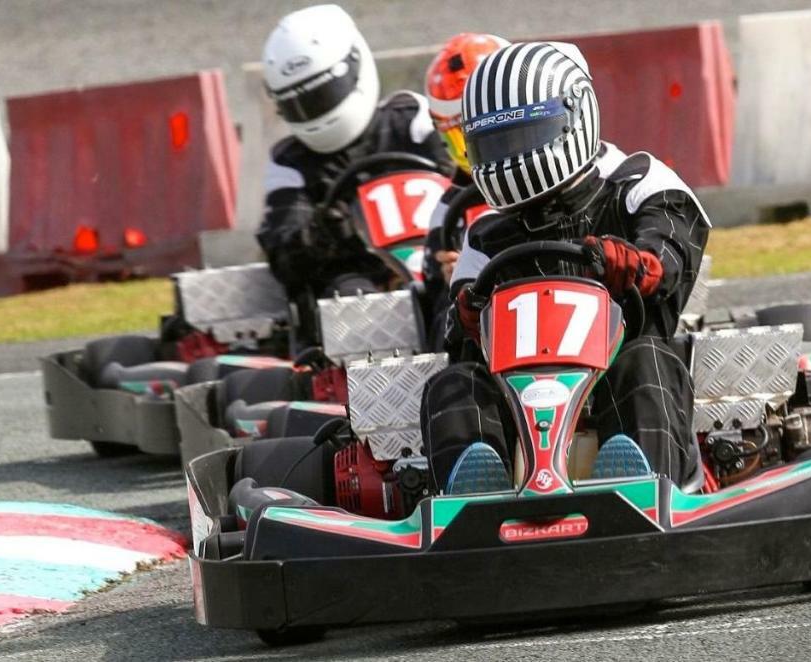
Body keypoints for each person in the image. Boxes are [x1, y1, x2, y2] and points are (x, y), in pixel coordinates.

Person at [419, 41, 712, 495]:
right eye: (497, 144)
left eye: (521, 139)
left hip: (619, 378)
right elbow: (452, 336)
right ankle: (473, 499)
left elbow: (672, 249)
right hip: (521, 409)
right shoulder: (485, 234)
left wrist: (638, 265)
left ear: (573, 117)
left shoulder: (636, 184)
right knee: (455, 384)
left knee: (647, 360)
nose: (511, 156)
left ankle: (642, 485)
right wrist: (467, 316)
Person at [256, 4, 450, 299]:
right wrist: (322, 233)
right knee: (352, 296)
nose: (315, 112)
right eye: (301, 104)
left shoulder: (413, 122)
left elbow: (467, 184)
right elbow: (284, 258)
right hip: (360, 288)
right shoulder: (290, 166)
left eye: (322, 96)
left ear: (355, 64)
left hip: (440, 260)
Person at [419, 32, 511, 346]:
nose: (476, 145)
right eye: (460, 135)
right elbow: (431, 296)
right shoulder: (448, 211)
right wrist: (452, 278)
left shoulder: (563, 170)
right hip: (495, 322)